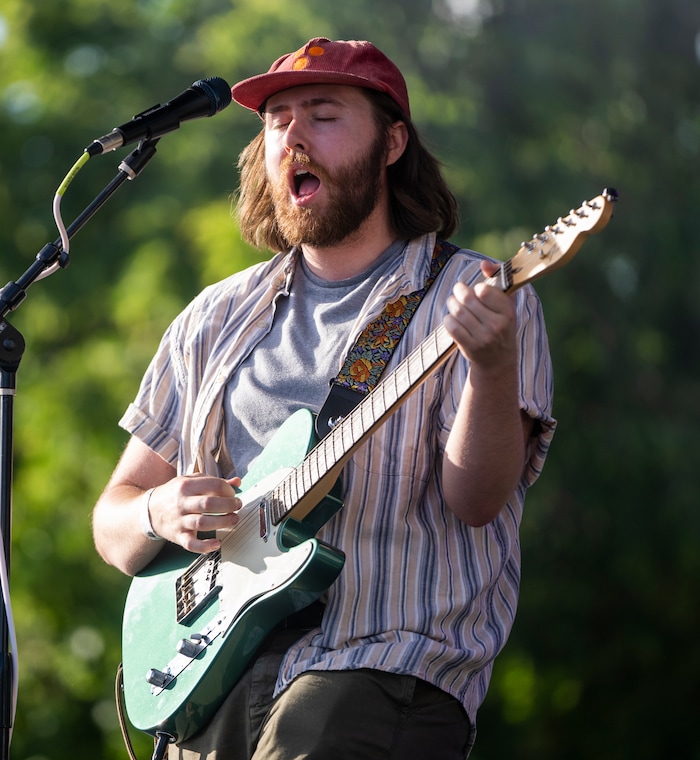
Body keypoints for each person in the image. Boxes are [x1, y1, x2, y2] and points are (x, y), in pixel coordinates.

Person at [92, 37, 556, 759]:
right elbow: (113, 522)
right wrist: (157, 509)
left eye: (324, 114)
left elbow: (478, 499)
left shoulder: (475, 297)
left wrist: (492, 369)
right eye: (277, 119)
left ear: (393, 142)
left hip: (380, 666)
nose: (294, 135)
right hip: (209, 673)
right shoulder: (212, 319)